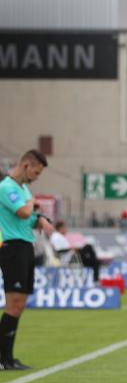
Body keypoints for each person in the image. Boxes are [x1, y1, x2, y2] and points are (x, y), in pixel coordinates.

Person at [0, 150, 52, 370]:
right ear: (25, 165)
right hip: (12, 248)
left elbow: (28, 218)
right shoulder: (7, 187)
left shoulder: (23, 189)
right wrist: (32, 204)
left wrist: (39, 219)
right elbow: (23, 212)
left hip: (25, 246)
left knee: (19, 305)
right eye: (36, 172)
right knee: (13, 304)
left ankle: (8, 357)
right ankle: (3, 358)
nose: (36, 177)